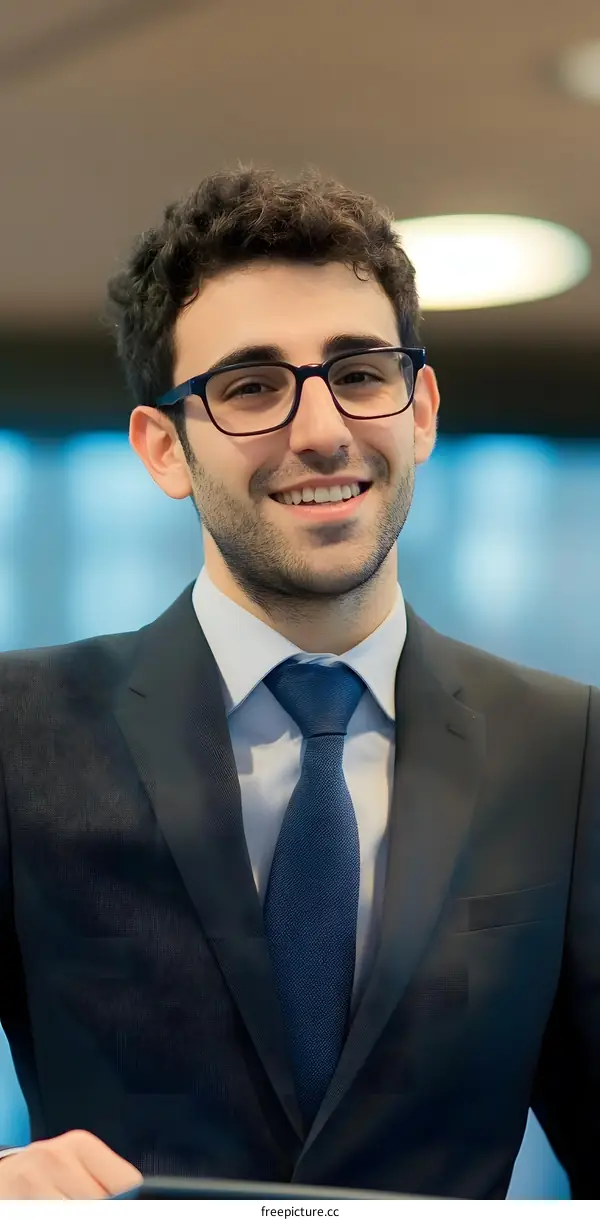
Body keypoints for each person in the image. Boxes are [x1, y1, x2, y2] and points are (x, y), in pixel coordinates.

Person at [0, 167, 598, 1201]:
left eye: (361, 372)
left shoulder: (566, 746)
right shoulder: (21, 729)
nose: (321, 428)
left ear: (422, 411)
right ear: (164, 449)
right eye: (250, 386)